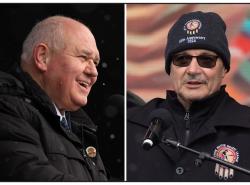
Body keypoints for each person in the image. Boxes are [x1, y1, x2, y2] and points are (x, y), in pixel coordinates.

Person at [127, 11, 250, 182]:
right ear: (170, 69)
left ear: (224, 69)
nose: (192, 70)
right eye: (182, 60)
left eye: (206, 60)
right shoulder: (131, 124)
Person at [0, 15, 108, 181]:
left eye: (95, 62)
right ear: (43, 57)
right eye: (84, 57)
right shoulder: (7, 108)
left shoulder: (79, 130)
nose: (94, 72)